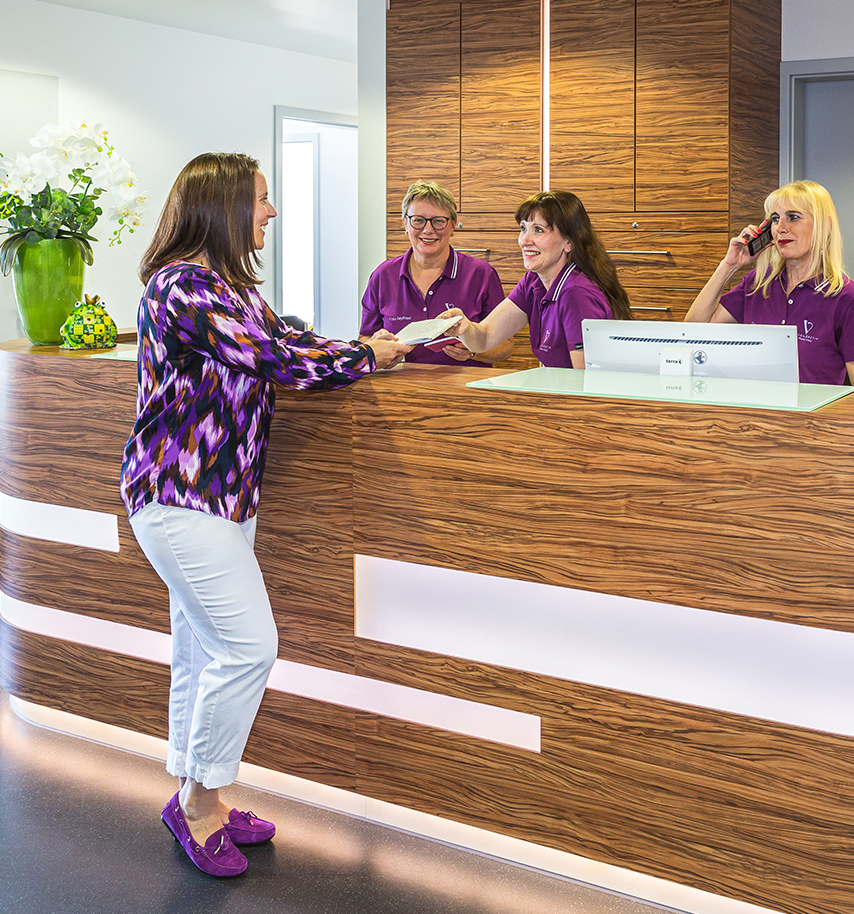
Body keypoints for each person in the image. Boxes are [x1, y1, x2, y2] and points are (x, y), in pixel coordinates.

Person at [119, 152, 409, 878]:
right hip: (180, 497)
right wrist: (367, 357)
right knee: (249, 648)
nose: (271, 212)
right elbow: (274, 357)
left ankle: (199, 795)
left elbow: (292, 340)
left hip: (220, 500)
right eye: (260, 199)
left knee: (201, 650)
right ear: (222, 208)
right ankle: (198, 804)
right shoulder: (181, 288)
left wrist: (363, 349)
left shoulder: (232, 289)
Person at [685, 180, 854, 391]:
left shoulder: (848, 299)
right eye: (776, 219)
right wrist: (729, 266)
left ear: (826, 226)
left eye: (793, 217)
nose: (781, 228)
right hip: (753, 409)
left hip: (814, 413)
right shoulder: (758, 283)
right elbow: (694, 332)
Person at [445, 190, 631, 368]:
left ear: (568, 242)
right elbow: (485, 337)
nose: (525, 240)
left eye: (538, 230)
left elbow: (585, 380)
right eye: (523, 228)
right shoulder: (533, 282)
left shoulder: (576, 294)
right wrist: (465, 327)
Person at [358, 180, 512, 365]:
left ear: (453, 225)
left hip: (468, 382)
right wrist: (376, 346)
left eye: (438, 221)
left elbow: (506, 347)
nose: (428, 230)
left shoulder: (482, 275)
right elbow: (364, 338)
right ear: (405, 223)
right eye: (418, 220)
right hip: (400, 382)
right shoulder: (382, 276)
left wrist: (473, 351)